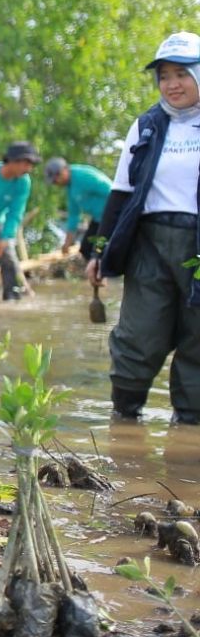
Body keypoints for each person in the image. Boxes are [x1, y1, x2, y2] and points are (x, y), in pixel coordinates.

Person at [88, 31, 200, 424]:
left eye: (182, 74)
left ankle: (187, 431)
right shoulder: (147, 126)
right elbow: (120, 193)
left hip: (198, 248)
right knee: (138, 337)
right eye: (164, 76)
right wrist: (99, 251)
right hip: (149, 245)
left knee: (198, 341)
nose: (172, 84)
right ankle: (124, 424)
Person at [0, 142, 41, 300]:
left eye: (31, 165)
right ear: (12, 161)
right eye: (26, 163)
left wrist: (4, 241)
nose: (28, 169)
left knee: (9, 256)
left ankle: (11, 296)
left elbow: (16, 213)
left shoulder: (23, 182)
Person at [43, 157, 112, 258]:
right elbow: (73, 215)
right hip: (98, 219)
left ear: (63, 171)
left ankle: (107, 271)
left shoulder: (83, 176)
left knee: (100, 249)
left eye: (55, 180)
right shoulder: (70, 187)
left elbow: (111, 190)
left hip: (112, 217)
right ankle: (98, 271)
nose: (56, 183)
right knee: (86, 248)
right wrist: (67, 243)